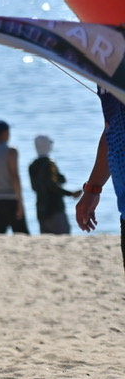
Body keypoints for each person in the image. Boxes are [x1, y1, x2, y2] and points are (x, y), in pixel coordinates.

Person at [75, 87, 125, 271]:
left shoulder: (111, 65)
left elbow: (113, 131)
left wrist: (92, 190)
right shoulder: (110, 68)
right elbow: (112, 132)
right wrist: (92, 189)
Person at [29, 135, 80, 235]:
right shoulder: (50, 163)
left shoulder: (32, 166)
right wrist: (71, 193)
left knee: (45, 238)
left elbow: (35, 187)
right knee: (63, 234)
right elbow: (52, 185)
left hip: (41, 209)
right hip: (54, 208)